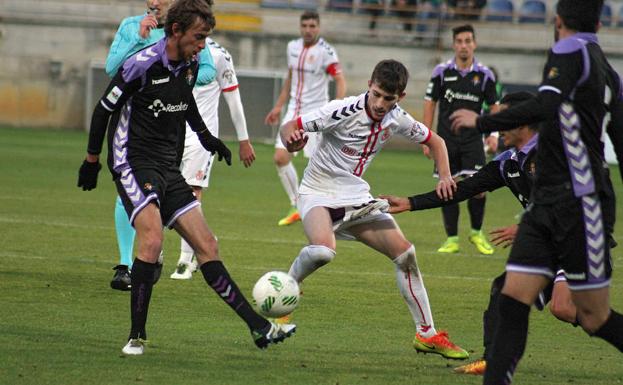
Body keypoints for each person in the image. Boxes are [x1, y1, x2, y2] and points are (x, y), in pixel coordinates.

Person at [77, 0, 295, 355]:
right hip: (132, 162)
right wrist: (91, 160)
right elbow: (104, 108)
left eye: (206, 37)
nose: (202, 45)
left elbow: (185, 101)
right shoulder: (140, 65)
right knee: (152, 242)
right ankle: (136, 336)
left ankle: (259, 328)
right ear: (176, 31)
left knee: (207, 245)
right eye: (198, 37)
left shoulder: (192, 62)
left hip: (168, 165)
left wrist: (209, 139)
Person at [383, 91, 620, 375]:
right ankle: (491, 361)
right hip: (548, 245)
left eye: (505, 120)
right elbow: (465, 189)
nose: (499, 127)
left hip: (581, 242)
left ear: (523, 123)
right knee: (505, 291)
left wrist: (529, 226)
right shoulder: (508, 162)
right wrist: (411, 203)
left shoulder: (556, 153)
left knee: (569, 309)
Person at [449, 1, 623, 382]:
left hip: (579, 203)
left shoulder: (570, 48)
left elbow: (544, 105)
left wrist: (482, 122)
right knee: (511, 298)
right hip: (552, 202)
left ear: (558, 22)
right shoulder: (611, 75)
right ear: (599, 22)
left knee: (592, 315)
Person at [280, 59, 469, 360]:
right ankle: (288, 287)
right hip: (318, 192)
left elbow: (437, 142)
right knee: (322, 251)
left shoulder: (397, 118)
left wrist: (445, 175)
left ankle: (427, 333)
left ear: (400, 98)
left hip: (355, 194)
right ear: (369, 85)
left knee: (406, 254)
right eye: (377, 94)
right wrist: (290, 141)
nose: (381, 104)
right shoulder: (341, 110)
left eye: (389, 98)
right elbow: (291, 127)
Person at [105, 0, 217, 291]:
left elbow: (207, 70)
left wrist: (174, 82)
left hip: (172, 127)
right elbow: (113, 69)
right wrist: (138, 40)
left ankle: (155, 255)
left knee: (172, 195)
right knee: (128, 193)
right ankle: (125, 263)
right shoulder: (132, 26)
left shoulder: (190, 30)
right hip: (134, 128)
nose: (154, 2)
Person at [170, 36, 256, 280]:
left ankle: (185, 260)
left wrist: (244, 140)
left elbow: (233, 98)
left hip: (202, 137)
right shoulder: (175, 47)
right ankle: (204, 240)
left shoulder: (219, 55)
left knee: (191, 192)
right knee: (167, 193)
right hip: (171, 132)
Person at [422, 24, 499, 256]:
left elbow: (494, 107)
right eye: (459, 41)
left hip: (473, 140)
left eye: (468, 41)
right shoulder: (441, 72)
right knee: (448, 187)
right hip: (446, 141)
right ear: (454, 44)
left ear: (474, 43)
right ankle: (452, 239)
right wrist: (426, 137)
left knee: (479, 188)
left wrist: (494, 134)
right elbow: (430, 102)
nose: (464, 46)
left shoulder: (485, 75)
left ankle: (476, 232)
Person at [264, 10, 347, 227]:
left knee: (318, 164)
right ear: (300, 27)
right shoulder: (292, 47)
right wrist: (278, 106)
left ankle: (330, 208)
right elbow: (290, 78)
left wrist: (336, 109)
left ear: (318, 28)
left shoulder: (326, 52)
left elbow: (340, 80)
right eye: (305, 26)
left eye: (312, 26)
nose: (308, 30)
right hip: (292, 112)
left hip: (316, 114)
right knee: (280, 158)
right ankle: (297, 205)